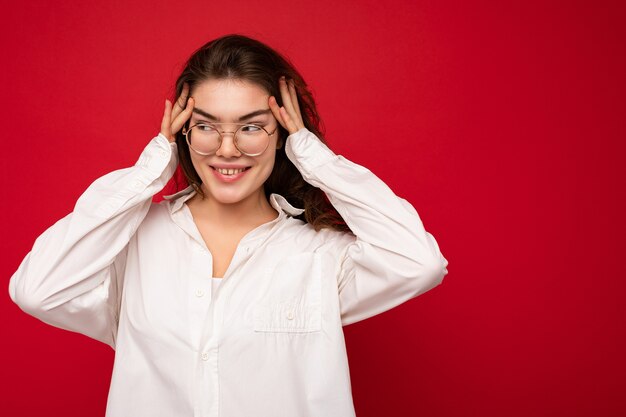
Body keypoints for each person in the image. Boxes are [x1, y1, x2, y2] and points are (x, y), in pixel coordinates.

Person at [9, 34, 449, 417]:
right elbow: (39, 289)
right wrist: (150, 170)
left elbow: (419, 263)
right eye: (206, 126)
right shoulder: (135, 244)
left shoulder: (320, 255)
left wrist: (314, 158)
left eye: (251, 127)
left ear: (283, 135)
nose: (227, 149)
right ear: (182, 132)